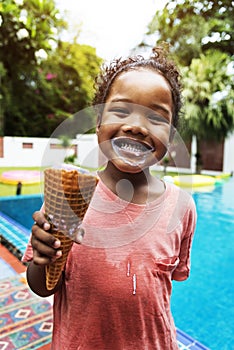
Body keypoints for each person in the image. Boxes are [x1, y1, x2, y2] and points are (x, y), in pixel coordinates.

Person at [22, 47, 197, 350]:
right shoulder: (69, 196)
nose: (137, 126)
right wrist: (42, 258)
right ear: (99, 122)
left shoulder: (181, 207)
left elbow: (162, 288)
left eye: (156, 118)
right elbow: (41, 286)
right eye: (121, 110)